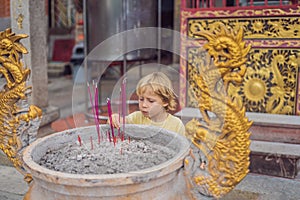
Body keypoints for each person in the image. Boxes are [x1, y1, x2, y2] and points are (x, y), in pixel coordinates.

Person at [109, 72, 185, 135]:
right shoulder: (137, 117)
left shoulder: (176, 125)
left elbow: (181, 147)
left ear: (165, 102)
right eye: (141, 99)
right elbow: (120, 122)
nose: (144, 105)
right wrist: (114, 118)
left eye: (151, 101)